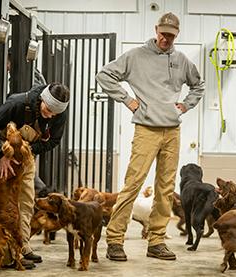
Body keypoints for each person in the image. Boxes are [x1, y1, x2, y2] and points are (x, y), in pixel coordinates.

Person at [97, 12, 205, 261]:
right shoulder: (135, 56)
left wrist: (186, 105)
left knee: (165, 189)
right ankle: (114, 239)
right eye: (163, 33)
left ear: (176, 35)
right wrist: (128, 100)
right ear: (156, 29)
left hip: (172, 131)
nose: (166, 38)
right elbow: (104, 75)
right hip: (146, 129)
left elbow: (198, 85)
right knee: (133, 184)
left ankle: (156, 241)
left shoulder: (182, 60)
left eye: (171, 35)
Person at [0, 82, 70, 268]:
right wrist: (2, 154)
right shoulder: (16, 103)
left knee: (27, 200)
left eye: (55, 113)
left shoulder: (59, 115)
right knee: (5, 204)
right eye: (48, 110)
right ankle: (7, 255)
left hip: (26, 158)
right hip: (2, 159)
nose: (51, 115)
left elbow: (53, 141)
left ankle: (22, 247)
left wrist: (27, 151)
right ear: (42, 99)